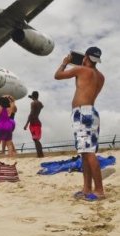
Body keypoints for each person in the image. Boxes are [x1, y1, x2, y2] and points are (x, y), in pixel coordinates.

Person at [54, 47, 105, 201]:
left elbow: (57, 76)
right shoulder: (101, 76)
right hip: (92, 113)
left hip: (83, 113)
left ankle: (99, 191)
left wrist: (65, 63)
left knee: (88, 153)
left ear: (86, 57)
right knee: (84, 152)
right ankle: (87, 188)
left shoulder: (82, 70)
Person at [24, 91, 44, 158]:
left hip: (33, 123)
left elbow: (31, 114)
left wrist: (26, 124)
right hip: (38, 122)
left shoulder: (33, 103)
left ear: (33, 96)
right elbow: (40, 105)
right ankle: (40, 154)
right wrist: (33, 98)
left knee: (35, 139)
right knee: (36, 139)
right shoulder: (40, 104)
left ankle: (40, 154)